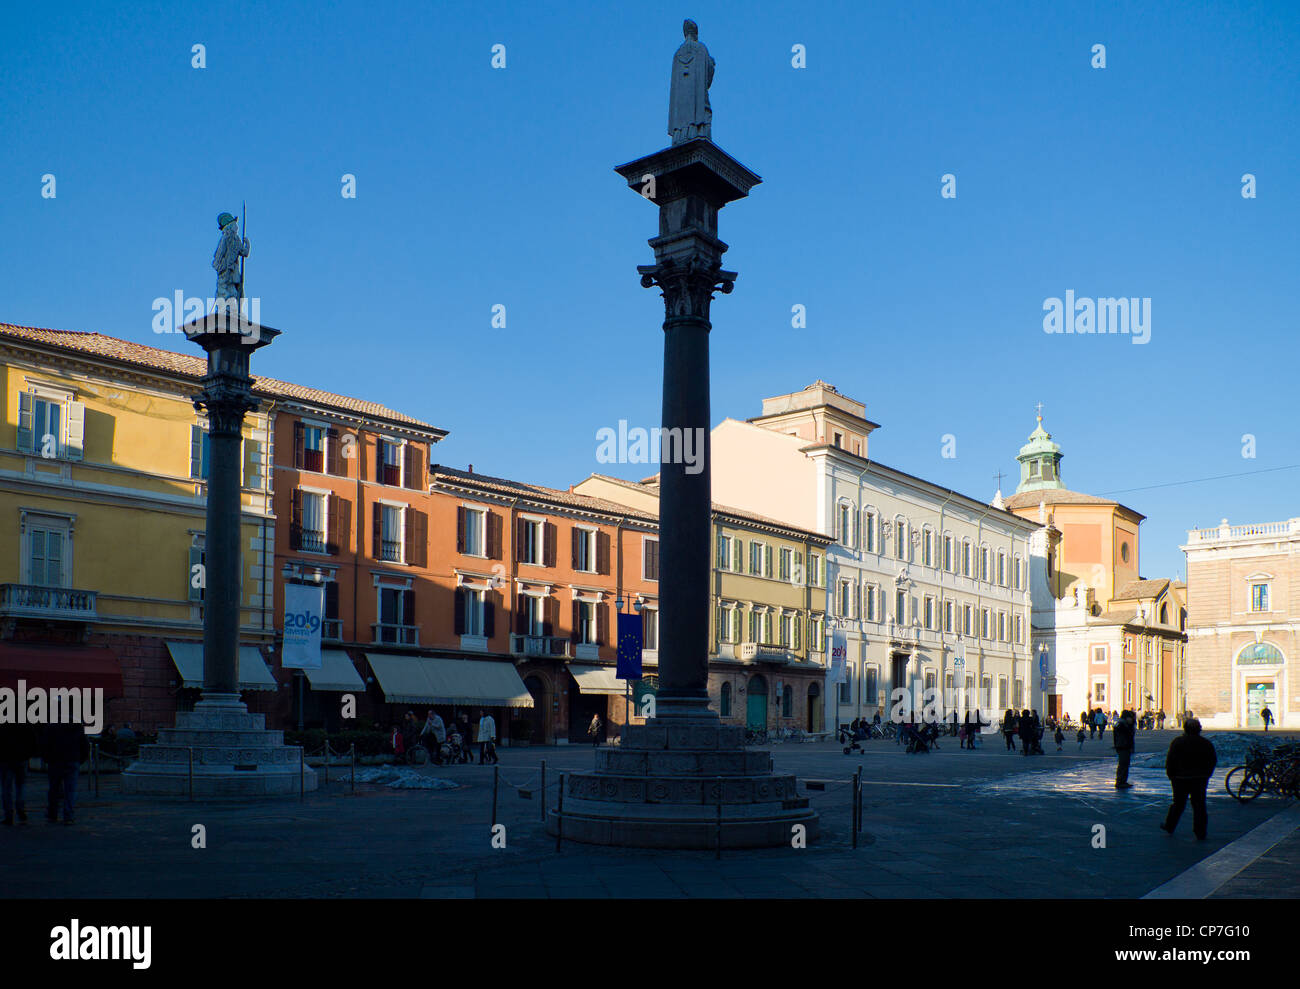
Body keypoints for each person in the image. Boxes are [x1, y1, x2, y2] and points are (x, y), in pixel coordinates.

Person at [1161, 718, 1216, 840]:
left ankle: (1170, 826)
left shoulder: (1178, 742)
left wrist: (1170, 774)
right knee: (1199, 805)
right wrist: (1207, 774)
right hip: (1200, 778)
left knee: (1178, 804)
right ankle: (1200, 832)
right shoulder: (1206, 743)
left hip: (1180, 778)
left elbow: (1170, 760)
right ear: (1199, 729)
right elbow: (1212, 760)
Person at [41, 721, 89, 825]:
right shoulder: (77, 726)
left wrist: (47, 759)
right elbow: (85, 745)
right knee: (70, 790)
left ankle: (52, 814)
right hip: (72, 760)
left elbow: (45, 744)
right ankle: (69, 816)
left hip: (55, 761)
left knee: (54, 789)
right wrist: (80, 759)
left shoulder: (51, 726)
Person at [1, 722, 37, 826]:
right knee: (20, 786)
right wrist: (28, 755)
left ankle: (8, 814)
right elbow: (33, 741)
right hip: (21, 759)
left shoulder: (3, 726)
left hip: (6, 759)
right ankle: (21, 809)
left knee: (6, 788)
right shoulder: (25, 725)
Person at [1113, 709, 1136, 789]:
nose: (1132, 719)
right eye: (1130, 718)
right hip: (1123, 746)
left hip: (1124, 746)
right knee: (1123, 764)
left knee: (1125, 764)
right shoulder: (1122, 725)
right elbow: (1126, 736)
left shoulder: (1122, 724)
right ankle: (1120, 782)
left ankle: (1122, 781)